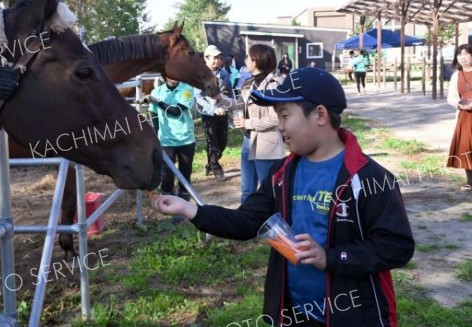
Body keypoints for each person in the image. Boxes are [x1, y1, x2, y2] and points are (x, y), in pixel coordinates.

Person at [151, 67, 415, 327]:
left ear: (320, 114)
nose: (279, 127)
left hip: (353, 316)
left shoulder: (369, 178)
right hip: (293, 313)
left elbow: (397, 246)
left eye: (285, 115)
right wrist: (191, 210)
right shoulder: (281, 174)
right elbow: (247, 222)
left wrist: (330, 257)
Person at [232, 44, 284, 204]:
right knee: (247, 191)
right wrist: (220, 100)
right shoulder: (248, 83)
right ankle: (244, 224)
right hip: (248, 141)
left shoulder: (273, 85)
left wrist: (248, 122)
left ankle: (273, 225)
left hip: (266, 145)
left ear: (257, 60)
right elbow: (239, 105)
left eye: (248, 57)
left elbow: (276, 119)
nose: (245, 59)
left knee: (268, 191)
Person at [148, 75, 196, 201]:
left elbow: (176, 112)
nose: (174, 76)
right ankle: (168, 195)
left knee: (185, 171)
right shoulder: (157, 91)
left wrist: (158, 102)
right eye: (171, 73)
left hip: (185, 138)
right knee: (167, 173)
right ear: (164, 75)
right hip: (165, 140)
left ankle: (184, 196)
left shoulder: (187, 90)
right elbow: (153, 114)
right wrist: (155, 134)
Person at [195, 45, 231, 181]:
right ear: (206, 58)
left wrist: (229, 106)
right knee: (212, 142)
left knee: (223, 142)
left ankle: (210, 163)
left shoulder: (224, 74)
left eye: (219, 58)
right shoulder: (199, 75)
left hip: (223, 112)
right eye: (214, 58)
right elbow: (198, 97)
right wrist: (213, 109)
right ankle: (215, 167)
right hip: (208, 114)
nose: (217, 60)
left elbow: (229, 92)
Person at [446, 43, 472, 191]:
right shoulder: (456, 75)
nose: (463, 58)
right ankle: (470, 181)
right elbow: (451, 97)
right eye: (460, 55)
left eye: (466, 54)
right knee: (467, 148)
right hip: (465, 117)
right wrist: (459, 104)